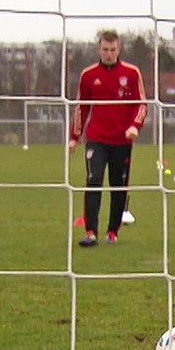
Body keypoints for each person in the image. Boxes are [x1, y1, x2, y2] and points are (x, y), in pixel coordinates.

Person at [70, 30, 147, 246]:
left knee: (118, 185)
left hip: (122, 140)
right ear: (99, 49)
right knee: (93, 180)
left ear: (119, 49)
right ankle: (90, 231)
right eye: (105, 49)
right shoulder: (88, 75)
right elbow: (81, 107)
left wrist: (134, 126)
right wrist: (74, 136)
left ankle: (113, 231)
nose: (109, 54)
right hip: (96, 138)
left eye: (113, 50)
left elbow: (141, 103)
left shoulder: (132, 73)